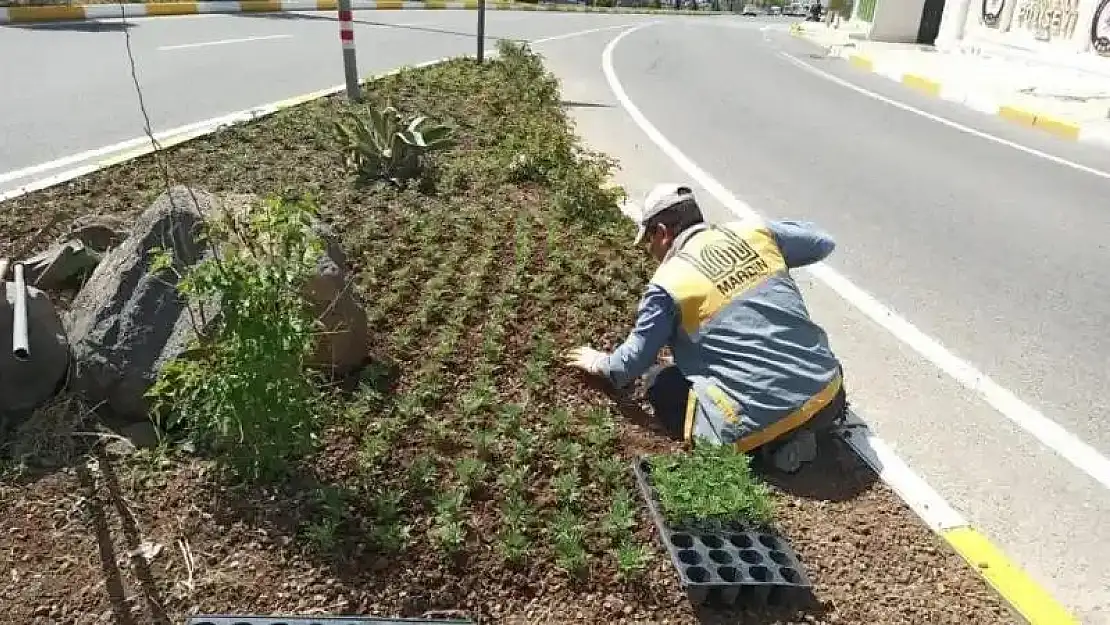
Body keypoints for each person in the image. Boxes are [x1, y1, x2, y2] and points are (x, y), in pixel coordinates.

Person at [563, 183, 846, 473]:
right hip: (829, 395)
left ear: (662, 232)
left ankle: (771, 448)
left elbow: (627, 366)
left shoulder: (667, 284)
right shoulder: (754, 234)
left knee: (660, 383)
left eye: (649, 240)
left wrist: (598, 362)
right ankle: (810, 429)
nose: (650, 252)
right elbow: (822, 241)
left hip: (755, 426)